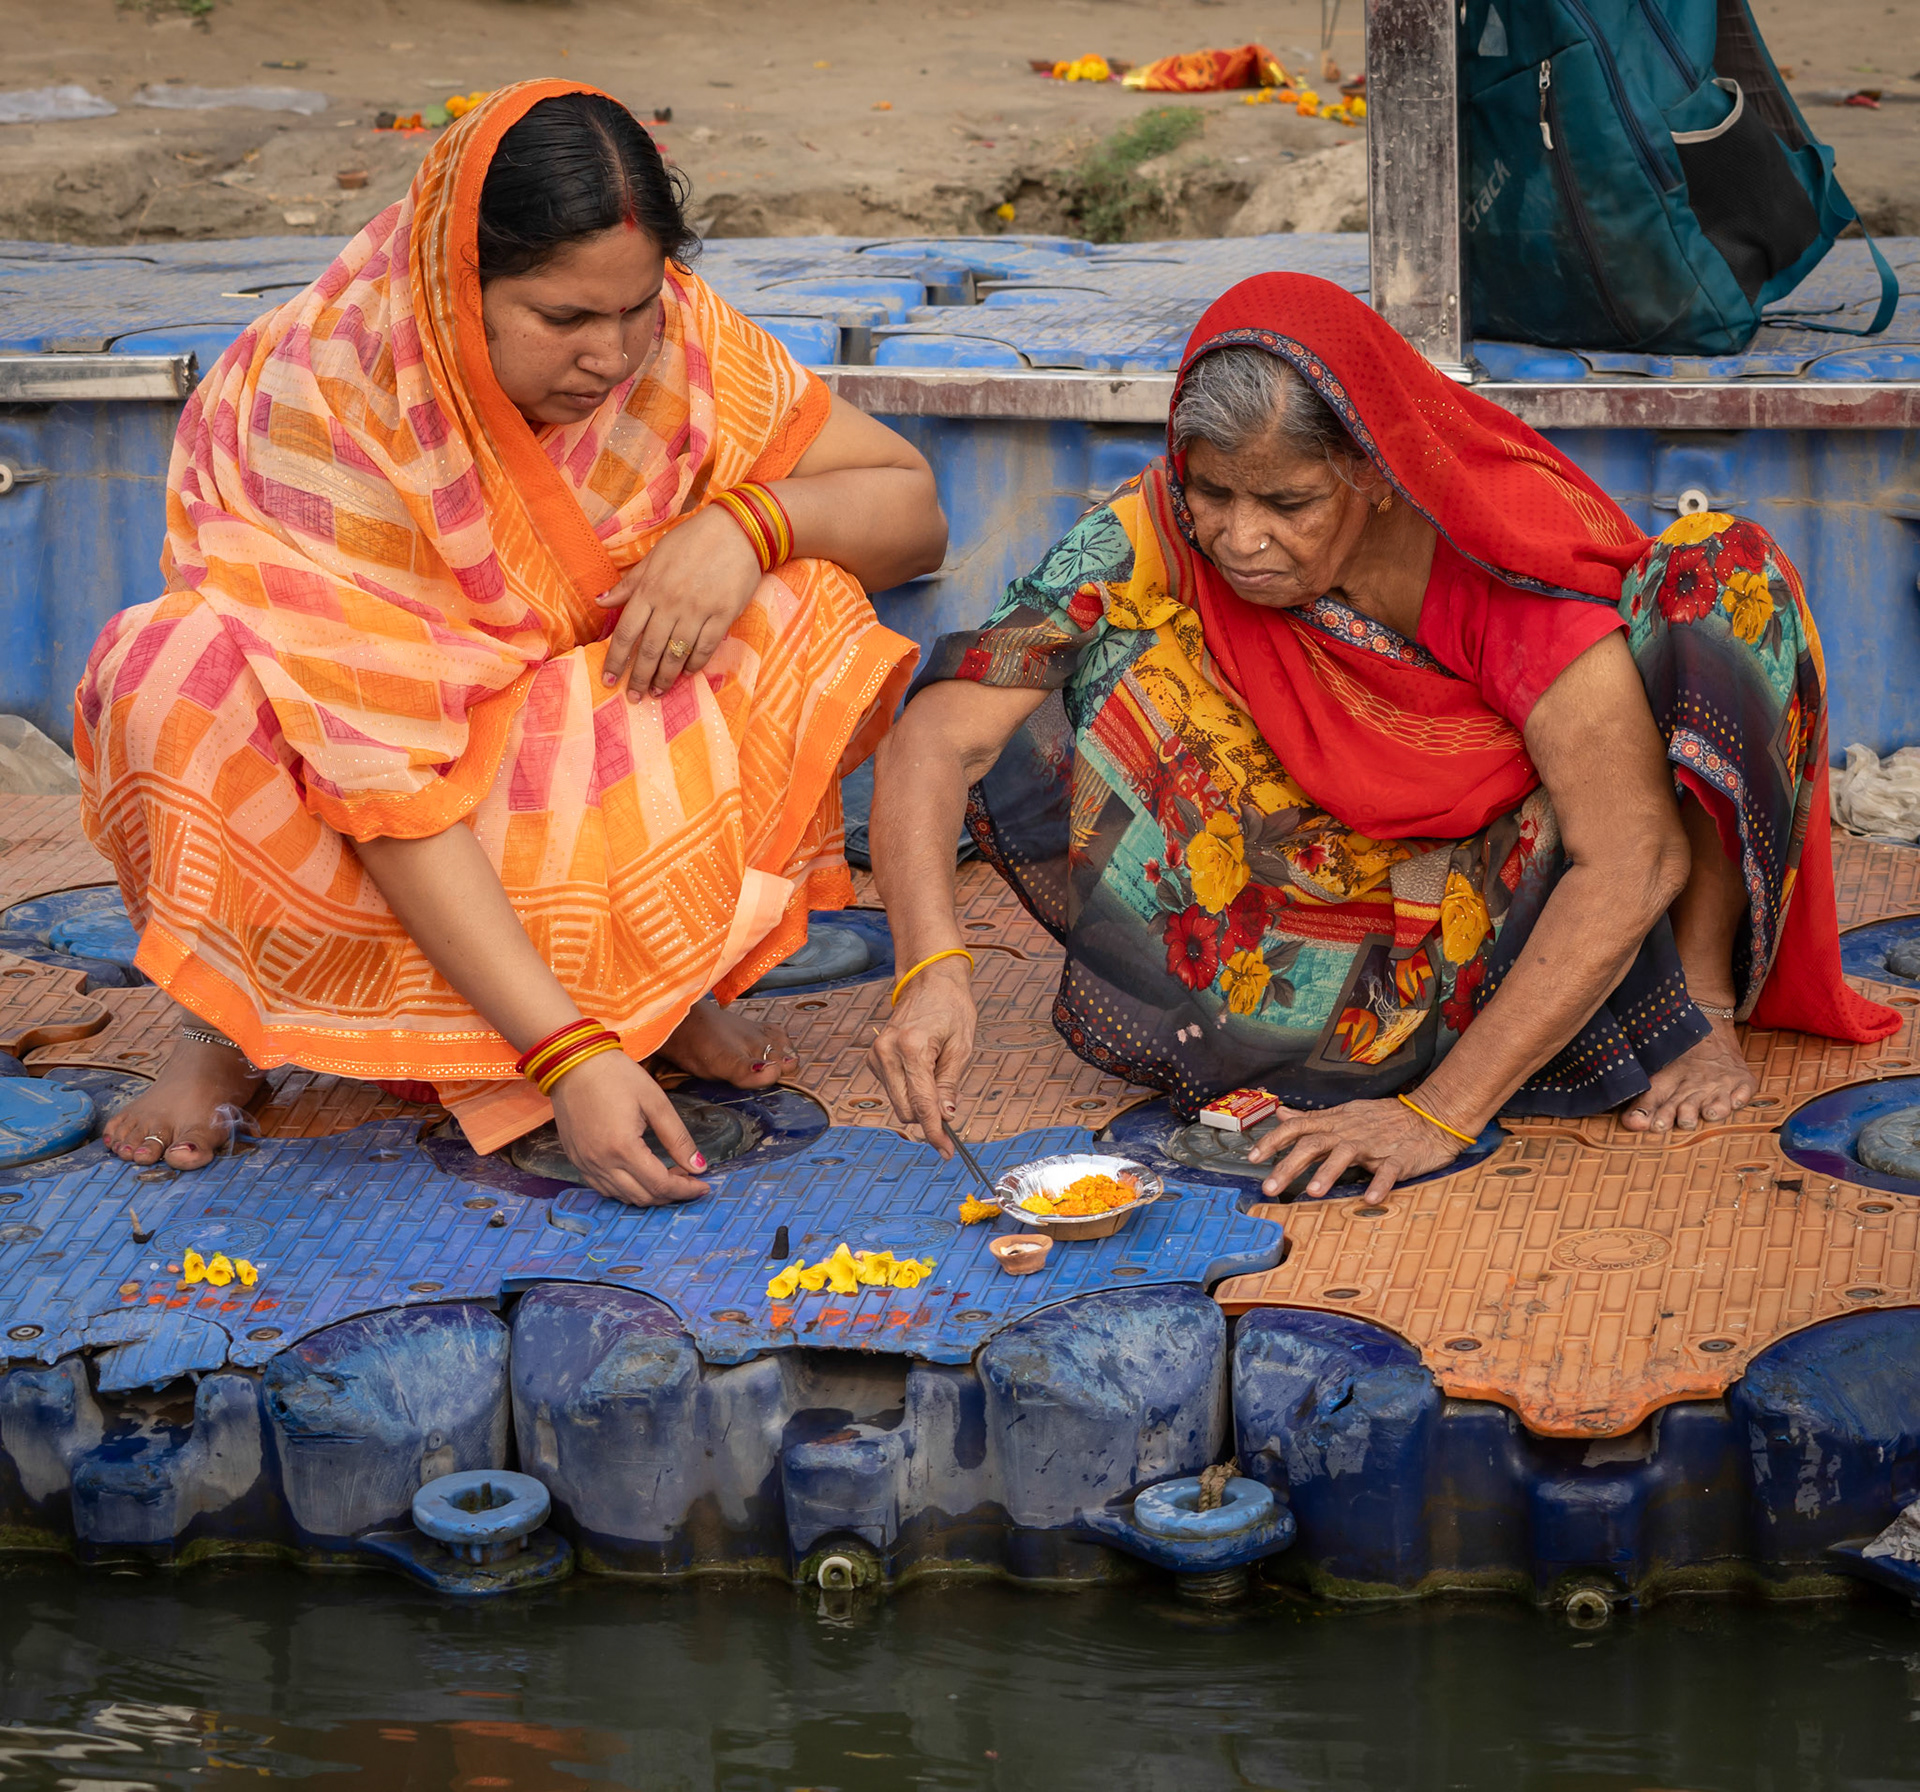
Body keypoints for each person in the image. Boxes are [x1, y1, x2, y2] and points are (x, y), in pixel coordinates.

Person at [78, 81, 945, 1205]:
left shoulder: (678, 342)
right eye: (565, 320)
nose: (614, 356)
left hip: (548, 765)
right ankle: (229, 1021)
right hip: (365, 796)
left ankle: (654, 990)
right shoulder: (323, 396)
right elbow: (381, 786)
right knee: (171, 673)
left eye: (635, 310)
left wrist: (750, 523)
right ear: (453, 288)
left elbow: (912, 510)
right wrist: (566, 1055)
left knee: (806, 602)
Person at [867, 273, 1896, 1203]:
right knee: (1091, 651)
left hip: (1529, 895)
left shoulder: (1493, 545)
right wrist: (931, 967)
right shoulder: (1162, 521)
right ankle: (1296, 1035)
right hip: (1336, 898)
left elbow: (1633, 858)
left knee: (1724, 579)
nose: (1239, 536)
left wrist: (1435, 1116)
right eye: (1213, 492)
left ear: (1370, 469)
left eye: (1287, 502)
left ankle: (1698, 1006)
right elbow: (940, 732)